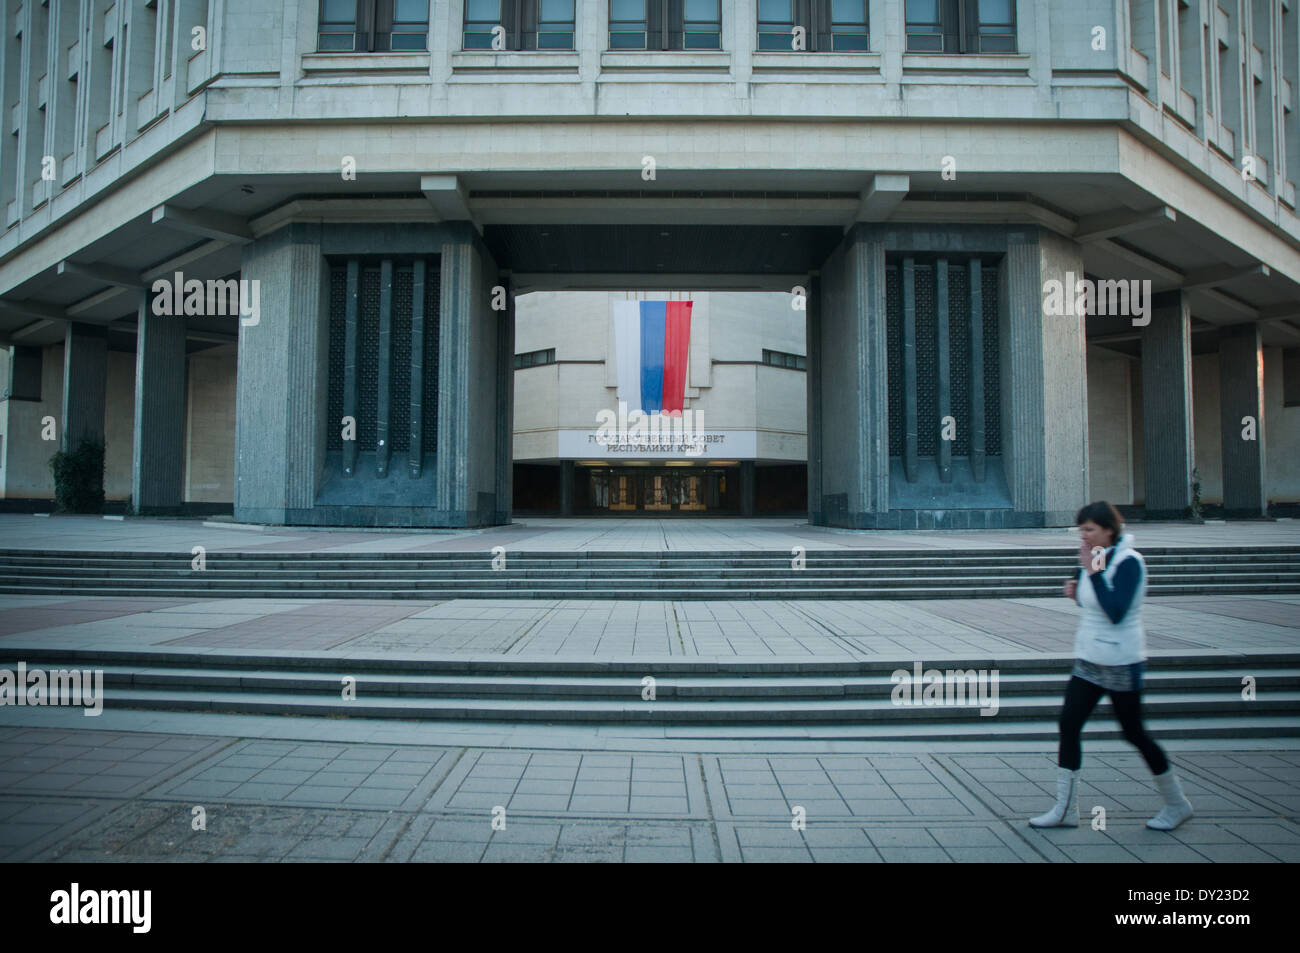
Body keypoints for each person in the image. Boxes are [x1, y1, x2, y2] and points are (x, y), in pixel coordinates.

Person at [1028, 501, 1194, 831]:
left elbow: (1116, 611)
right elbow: (1093, 600)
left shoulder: (1130, 562)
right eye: (1081, 531)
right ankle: (1065, 809)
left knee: (1134, 733)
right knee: (1069, 724)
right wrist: (1075, 591)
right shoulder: (1095, 559)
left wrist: (1092, 572)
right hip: (1089, 660)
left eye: (1089, 530)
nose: (1084, 537)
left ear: (1109, 530)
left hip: (1121, 661)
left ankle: (1177, 804)